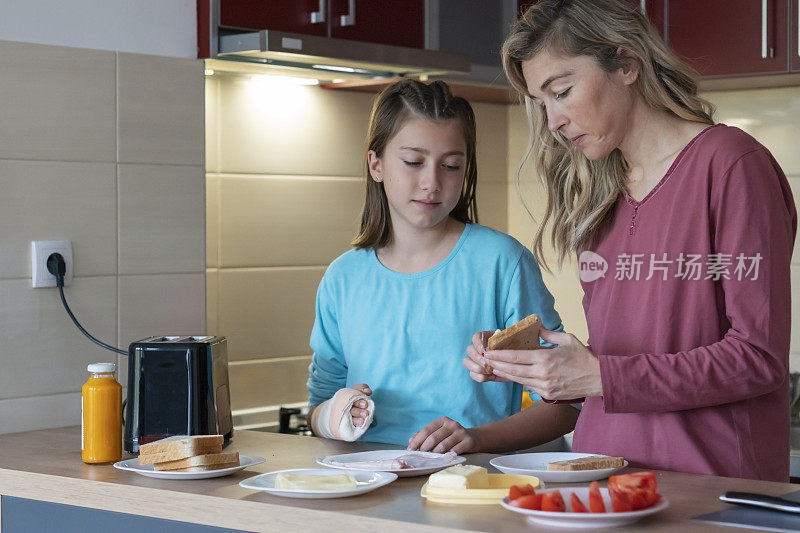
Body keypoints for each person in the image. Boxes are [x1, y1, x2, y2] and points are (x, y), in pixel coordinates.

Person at [464, 0, 797, 481]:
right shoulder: (601, 194)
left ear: (625, 64)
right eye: (542, 102)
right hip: (602, 481)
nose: (553, 121)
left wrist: (600, 375)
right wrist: (543, 367)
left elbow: (757, 358)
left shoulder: (731, 165)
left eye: (562, 91)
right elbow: (620, 368)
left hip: (708, 493)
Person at [306, 79, 579, 453]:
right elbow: (319, 407)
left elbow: (564, 406)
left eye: (451, 166)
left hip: (473, 489)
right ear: (376, 165)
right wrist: (333, 415)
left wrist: (476, 439)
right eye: (413, 162)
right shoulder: (343, 277)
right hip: (367, 491)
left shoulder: (502, 263)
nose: (432, 182)